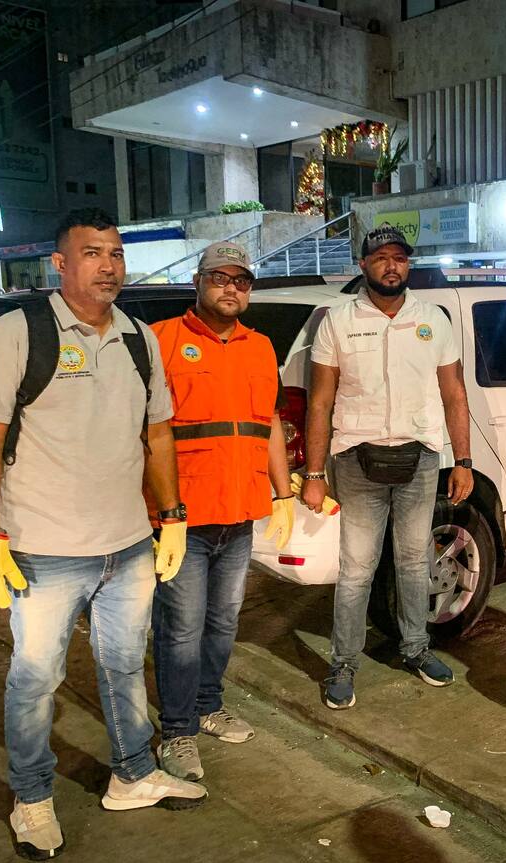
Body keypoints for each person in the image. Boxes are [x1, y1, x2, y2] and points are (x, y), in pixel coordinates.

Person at [0, 207, 206, 862]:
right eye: (92, 252)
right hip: (43, 547)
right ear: (61, 264)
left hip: (126, 544)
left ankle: (131, 773)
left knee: (125, 664)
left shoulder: (137, 337)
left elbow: (157, 432)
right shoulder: (19, 332)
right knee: (35, 677)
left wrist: (173, 514)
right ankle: (32, 795)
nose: (108, 265)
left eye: (116, 254)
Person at [301, 224, 473, 710]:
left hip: (420, 458)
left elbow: (454, 394)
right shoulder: (337, 320)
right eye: (381, 258)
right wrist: (315, 475)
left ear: (408, 265)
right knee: (356, 568)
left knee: (415, 559)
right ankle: (344, 663)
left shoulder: (432, 319)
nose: (391, 265)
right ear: (363, 265)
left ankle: (416, 648)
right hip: (356, 458)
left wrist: (462, 460)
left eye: (400, 257)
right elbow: (320, 402)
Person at [149, 241, 296, 782]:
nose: (231, 287)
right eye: (220, 277)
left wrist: (281, 494)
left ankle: (209, 705)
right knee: (180, 629)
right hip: (182, 519)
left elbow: (270, 425)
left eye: (242, 280)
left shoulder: (261, 347)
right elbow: (149, 432)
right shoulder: (163, 340)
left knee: (223, 622)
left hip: (239, 515)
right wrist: (163, 513)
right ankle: (178, 730)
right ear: (197, 280)